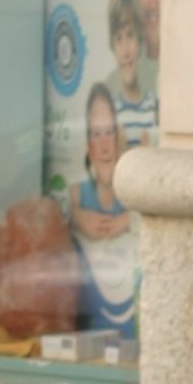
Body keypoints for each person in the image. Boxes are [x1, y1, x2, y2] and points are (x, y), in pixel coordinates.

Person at [69, 82, 141, 338]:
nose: (104, 145)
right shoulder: (76, 197)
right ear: (88, 144)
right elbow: (50, 216)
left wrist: (129, 220)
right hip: (90, 339)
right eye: (97, 134)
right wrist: (75, 218)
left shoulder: (135, 196)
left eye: (109, 132)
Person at [107, 0, 157, 150]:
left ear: (140, 41)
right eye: (119, 39)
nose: (126, 50)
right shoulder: (110, 110)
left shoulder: (153, 108)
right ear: (112, 46)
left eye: (130, 36)